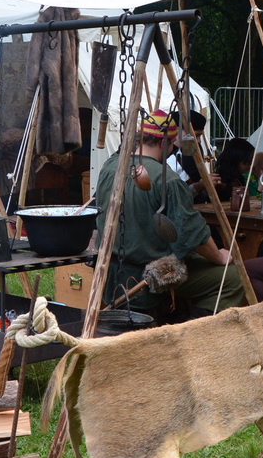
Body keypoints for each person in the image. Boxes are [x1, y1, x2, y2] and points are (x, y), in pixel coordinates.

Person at [93, 111, 245, 317]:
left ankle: (177, 318)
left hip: (111, 272)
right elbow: (192, 235)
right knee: (233, 278)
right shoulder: (168, 181)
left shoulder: (110, 167)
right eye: (172, 143)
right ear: (163, 143)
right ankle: (192, 338)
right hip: (149, 277)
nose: (173, 149)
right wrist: (219, 256)